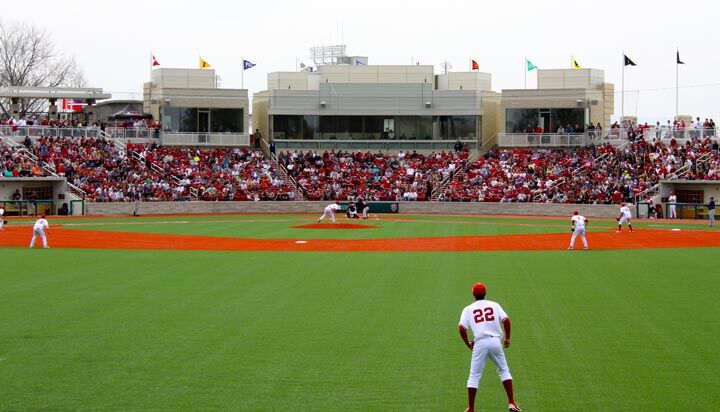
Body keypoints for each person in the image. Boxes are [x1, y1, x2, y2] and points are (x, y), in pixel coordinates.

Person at [458, 282, 521, 412]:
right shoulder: (494, 305)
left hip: (480, 343)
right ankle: (511, 402)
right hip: (495, 342)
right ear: (485, 293)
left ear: (473, 294)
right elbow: (506, 320)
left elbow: (461, 328)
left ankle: (471, 408)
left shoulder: (468, 309)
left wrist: (468, 343)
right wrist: (508, 338)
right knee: (504, 371)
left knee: (474, 376)